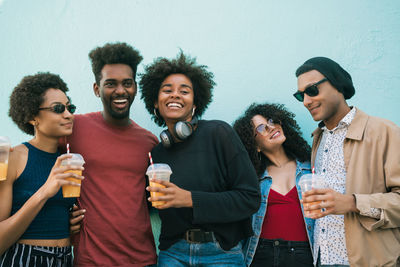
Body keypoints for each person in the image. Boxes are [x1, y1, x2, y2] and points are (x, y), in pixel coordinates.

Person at [139, 51, 260, 266]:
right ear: (155, 103)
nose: (175, 95)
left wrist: (189, 199)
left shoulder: (219, 133)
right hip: (173, 253)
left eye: (184, 91)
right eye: (167, 90)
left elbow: (249, 198)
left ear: (195, 104)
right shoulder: (156, 154)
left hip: (222, 253)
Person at [294, 56, 400, 267]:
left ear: (337, 84)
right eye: (300, 95)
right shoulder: (318, 138)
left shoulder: (383, 131)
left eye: (312, 90)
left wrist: (352, 203)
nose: (306, 101)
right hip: (323, 260)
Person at [65, 42, 158, 267]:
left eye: (127, 83)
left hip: (142, 260)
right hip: (90, 260)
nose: (120, 91)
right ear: (97, 89)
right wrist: (60, 214)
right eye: (110, 84)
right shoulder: (73, 128)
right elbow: (38, 163)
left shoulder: (149, 142)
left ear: (135, 87)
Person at [0, 72, 82, 266]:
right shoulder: (11, 158)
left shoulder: (69, 161)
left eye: (70, 108)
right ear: (32, 117)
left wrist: (67, 224)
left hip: (65, 258)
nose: (68, 114)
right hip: (24, 258)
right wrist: (45, 191)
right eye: (58, 108)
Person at [233, 103, 314, 267]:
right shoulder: (252, 178)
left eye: (271, 120)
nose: (271, 127)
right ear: (255, 145)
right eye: (261, 128)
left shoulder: (311, 168)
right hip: (262, 254)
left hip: (305, 255)